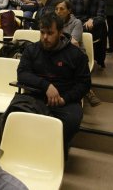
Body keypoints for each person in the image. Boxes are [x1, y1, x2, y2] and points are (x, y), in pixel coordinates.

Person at [15, 12, 91, 157]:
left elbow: (84, 83)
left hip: (65, 101)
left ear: (60, 32)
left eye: (50, 33)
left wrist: (65, 98)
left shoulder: (76, 54)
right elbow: (22, 74)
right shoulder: (32, 50)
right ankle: (24, 153)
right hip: (35, 96)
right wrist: (46, 86)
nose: (45, 37)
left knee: (72, 119)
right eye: (42, 32)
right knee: (12, 114)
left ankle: (54, 155)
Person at [70, 0, 107, 68]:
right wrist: (78, 22)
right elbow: (70, 15)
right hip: (77, 24)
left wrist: (93, 19)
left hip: (93, 27)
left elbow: (101, 16)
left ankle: (96, 59)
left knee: (101, 25)